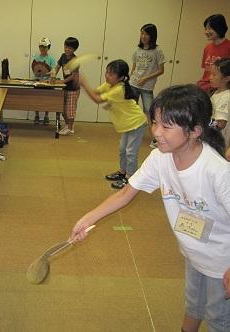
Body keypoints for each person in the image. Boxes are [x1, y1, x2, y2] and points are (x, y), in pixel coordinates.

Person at [70, 84, 230, 332]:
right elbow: (126, 193)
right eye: (155, 122)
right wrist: (86, 219)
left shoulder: (217, 172)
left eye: (166, 126)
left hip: (223, 262)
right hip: (194, 253)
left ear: (195, 131)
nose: (156, 132)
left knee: (219, 320)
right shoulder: (160, 158)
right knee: (193, 306)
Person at [79, 59, 147, 189]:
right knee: (123, 150)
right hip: (128, 124)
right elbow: (96, 92)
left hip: (136, 123)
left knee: (130, 152)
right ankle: (122, 172)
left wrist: (84, 83)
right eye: (107, 72)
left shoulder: (119, 89)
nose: (107, 75)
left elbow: (97, 99)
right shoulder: (109, 85)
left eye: (111, 74)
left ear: (121, 77)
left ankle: (130, 178)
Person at [130, 23, 165, 148]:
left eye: (146, 34)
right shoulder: (137, 49)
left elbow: (161, 70)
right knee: (131, 108)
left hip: (147, 87)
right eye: (142, 33)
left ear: (152, 36)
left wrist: (145, 78)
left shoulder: (157, 50)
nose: (143, 36)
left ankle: (155, 138)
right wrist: (130, 78)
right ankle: (131, 132)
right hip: (133, 83)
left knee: (149, 112)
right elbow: (134, 67)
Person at [198, 14, 230, 94]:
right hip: (204, 85)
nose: (206, 32)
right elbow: (206, 71)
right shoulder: (207, 47)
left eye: (210, 28)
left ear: (219, 28)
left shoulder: (228, 46)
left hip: (219, 88)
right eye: (205, 29)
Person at [55, 37, 80, 135]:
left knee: (70, 109)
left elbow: (73, 76)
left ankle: (70, 128)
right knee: (63, 109)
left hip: (73, 88)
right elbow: (57, 67)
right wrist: (52, 75)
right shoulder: (63, 56)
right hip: (65, 87)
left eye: (70, 48)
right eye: (65, 47)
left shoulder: (75, 60)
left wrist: (62, 81)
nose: (67, 49)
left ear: (74, 49)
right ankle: (67, 125)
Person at [31, 37, 56, 125]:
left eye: (44, 47)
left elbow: (54, 71)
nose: (42, 48)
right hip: (37, 82)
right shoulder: (36, 58)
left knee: (47, 100)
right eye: (41, 46)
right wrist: (37, 74)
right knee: (36, 100)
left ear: (48, 47)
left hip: (47, 83)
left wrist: (46, 74)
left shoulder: (51, 59)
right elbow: (34, 69)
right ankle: (36, 115)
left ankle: (46, 116)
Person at [210, 58, 230, 159]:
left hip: (218, 144)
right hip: (213, 141)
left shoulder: (226, 96)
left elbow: (221, 124)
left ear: (226, 78)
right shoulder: (216, 93)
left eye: (214, 75)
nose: (210, 77)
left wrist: (203, 122)